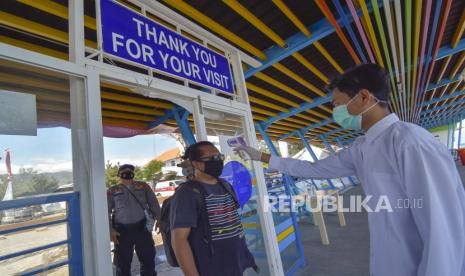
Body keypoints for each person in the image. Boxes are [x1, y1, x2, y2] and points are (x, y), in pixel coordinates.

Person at [235, 64, 465, 276]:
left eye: (337, 104)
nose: (335, 112)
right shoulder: (362, 147)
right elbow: (315, 168)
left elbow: (442, 227)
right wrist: (262, 156)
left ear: (364, 97)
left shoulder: (410, 142)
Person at [170, 141, 257, 276]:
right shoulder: (187, 193)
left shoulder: (225, 185)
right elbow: (179, 239)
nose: (218, 161)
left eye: (219, 157)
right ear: (196, 163)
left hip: (236, 265)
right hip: (211, 269)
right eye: (212, 158)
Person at [107, 164, 161, 276]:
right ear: (119, 174)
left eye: (130, 171)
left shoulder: (143, 186)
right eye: (124, 171)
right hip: (121, 232)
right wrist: (110, 230)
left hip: (142, 229)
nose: (128, 173)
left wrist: (159, 219)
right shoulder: (112, 190)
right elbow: (106, 211)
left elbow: (153, 203)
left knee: (148, 261)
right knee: (123, 264)